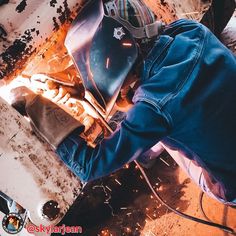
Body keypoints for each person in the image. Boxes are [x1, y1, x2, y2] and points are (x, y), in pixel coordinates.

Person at [10, 0, 236, 206]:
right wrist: (83, 91)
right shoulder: (191, 30)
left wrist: (34, 104)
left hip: (231, 186)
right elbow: (157, 93)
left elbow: (90, 166)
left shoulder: (154, 108)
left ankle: (145, 153)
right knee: (162, 118)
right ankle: (144, 149)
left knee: (157, 126)